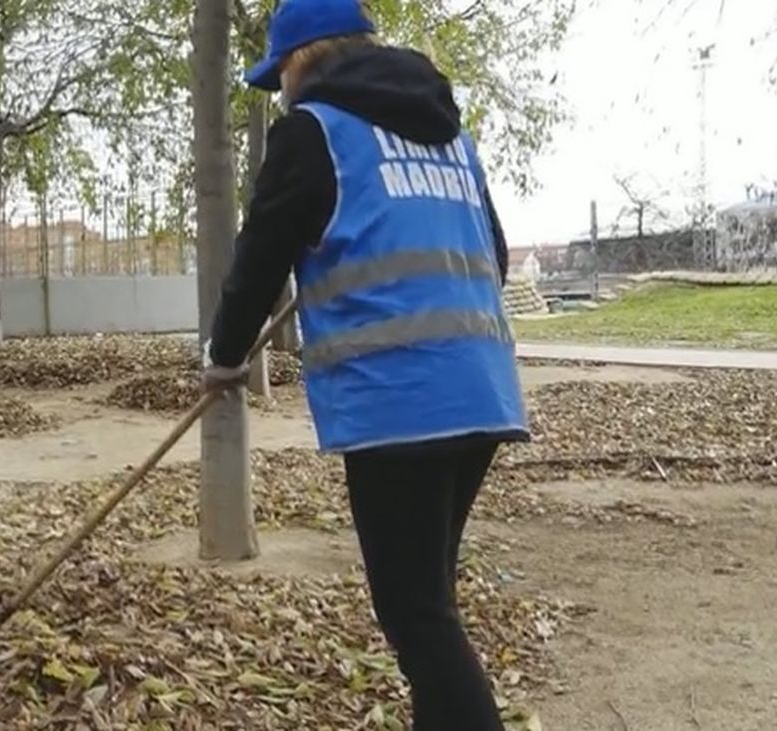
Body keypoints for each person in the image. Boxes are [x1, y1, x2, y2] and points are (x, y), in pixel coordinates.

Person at [201, 0, 530, 728]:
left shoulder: (313, 131)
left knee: (416, 616)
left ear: (303, 57)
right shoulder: (452, 137)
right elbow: (495, 259)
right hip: (483, 391)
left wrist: (222, 358)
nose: (281, 91)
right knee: (430, 606)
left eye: (280, 73)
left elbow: (258, 263)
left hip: (399, 401)